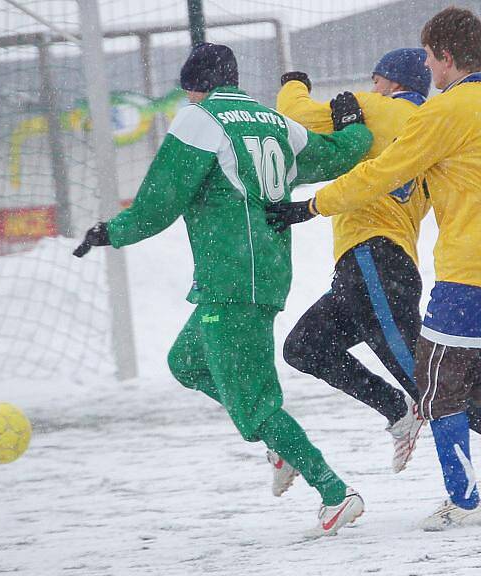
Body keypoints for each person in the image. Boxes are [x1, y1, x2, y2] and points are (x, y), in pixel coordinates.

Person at [266, 8, 481, 531]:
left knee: (437, 386)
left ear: (444, 58)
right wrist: (478, 174)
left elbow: (379, 171)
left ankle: (478, 493)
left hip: (452, 264)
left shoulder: (432, 113)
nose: (428, 67)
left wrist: (310, 206)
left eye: (430, 56)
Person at [73, 42, 373, 538]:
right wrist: (353, 127)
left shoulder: (199, 120)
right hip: (265, 274)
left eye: (188, 90)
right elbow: (340, 157)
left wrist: (112, 231)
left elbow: (160, 203)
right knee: (186, 362)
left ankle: (335, 492)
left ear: (196, 86)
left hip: (232, 280)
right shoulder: (279, 124)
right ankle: (280, 444)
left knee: (256, 404)